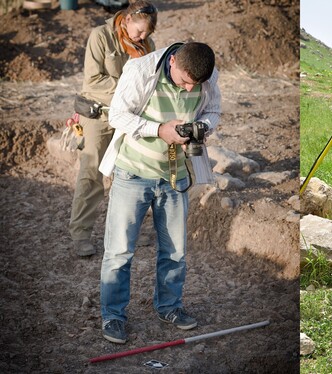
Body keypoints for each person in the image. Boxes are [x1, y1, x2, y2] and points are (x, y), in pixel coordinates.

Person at [97, 41, 221, 344]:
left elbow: (214, 110)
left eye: (196, 84)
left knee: (175, 252)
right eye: (185, 80)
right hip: (133, 173)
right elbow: (117, 115)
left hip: (175, 177)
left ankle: (169, 307)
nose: (190, 87)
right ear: (173, 61)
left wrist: (203, 126)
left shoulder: (207, 74)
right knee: (119, 252)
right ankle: (113, 316)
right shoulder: (140, 69)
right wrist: (160, 130)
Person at [69, 1, 158, 257]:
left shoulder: (146, 44)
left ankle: (129, 231)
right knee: (91, 176)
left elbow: (149, 77)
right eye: (139, 32)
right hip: (99, 115)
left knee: (129, 176)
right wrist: (129, 85)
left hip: (128, 117)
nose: (143, 38)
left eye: (147, 34)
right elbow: (93, 80)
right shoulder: (100, 36)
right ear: (127, 20)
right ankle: (81, 235)